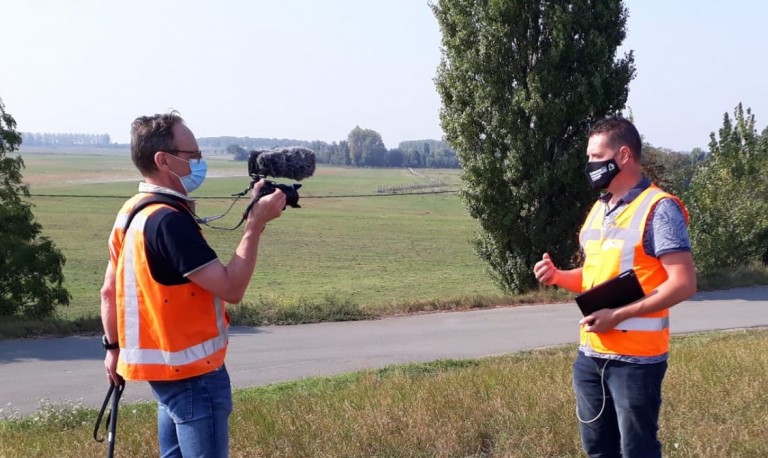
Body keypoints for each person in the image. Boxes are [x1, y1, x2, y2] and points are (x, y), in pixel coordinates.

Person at [100, 111, 286, 457]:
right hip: (194, 374)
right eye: (193, 155)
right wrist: (255, 225)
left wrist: (112, 349)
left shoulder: (131, 213)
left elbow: (108, 292)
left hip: (164, 376)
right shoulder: (169, 222)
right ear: (163, 160)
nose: (200, 162)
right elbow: (231, 289)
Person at [533, 116, 696, 458]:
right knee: (598, 450)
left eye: (596, 156)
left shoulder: (659, 208)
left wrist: (617, 315)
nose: (590, 164)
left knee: (637, 450)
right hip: (591, 356)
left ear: (623, 156)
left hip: (636, 362)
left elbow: (683, 283)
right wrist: (558, 276)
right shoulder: (599, 209)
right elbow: (595, 276)